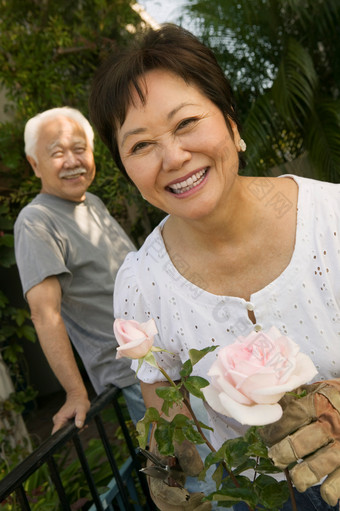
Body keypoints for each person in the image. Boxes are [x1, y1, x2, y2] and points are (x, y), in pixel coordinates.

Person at [88, 24, 340, 511]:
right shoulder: (140, 285)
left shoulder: (331, 223)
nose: (174, 157)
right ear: (126, 171)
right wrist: (169, 469)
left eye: (186, 124)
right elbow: (162, 401)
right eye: (141, 146)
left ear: (230, 119)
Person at [14, 107, 146, 434]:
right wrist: (76, 391)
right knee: (199, 475)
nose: (73, 161)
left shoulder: (93, 202)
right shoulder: (36, 222)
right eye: (58, 153)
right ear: (34, 164)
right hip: (135, 375)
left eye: (79, 149)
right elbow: (45, 315)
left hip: (168, 359)